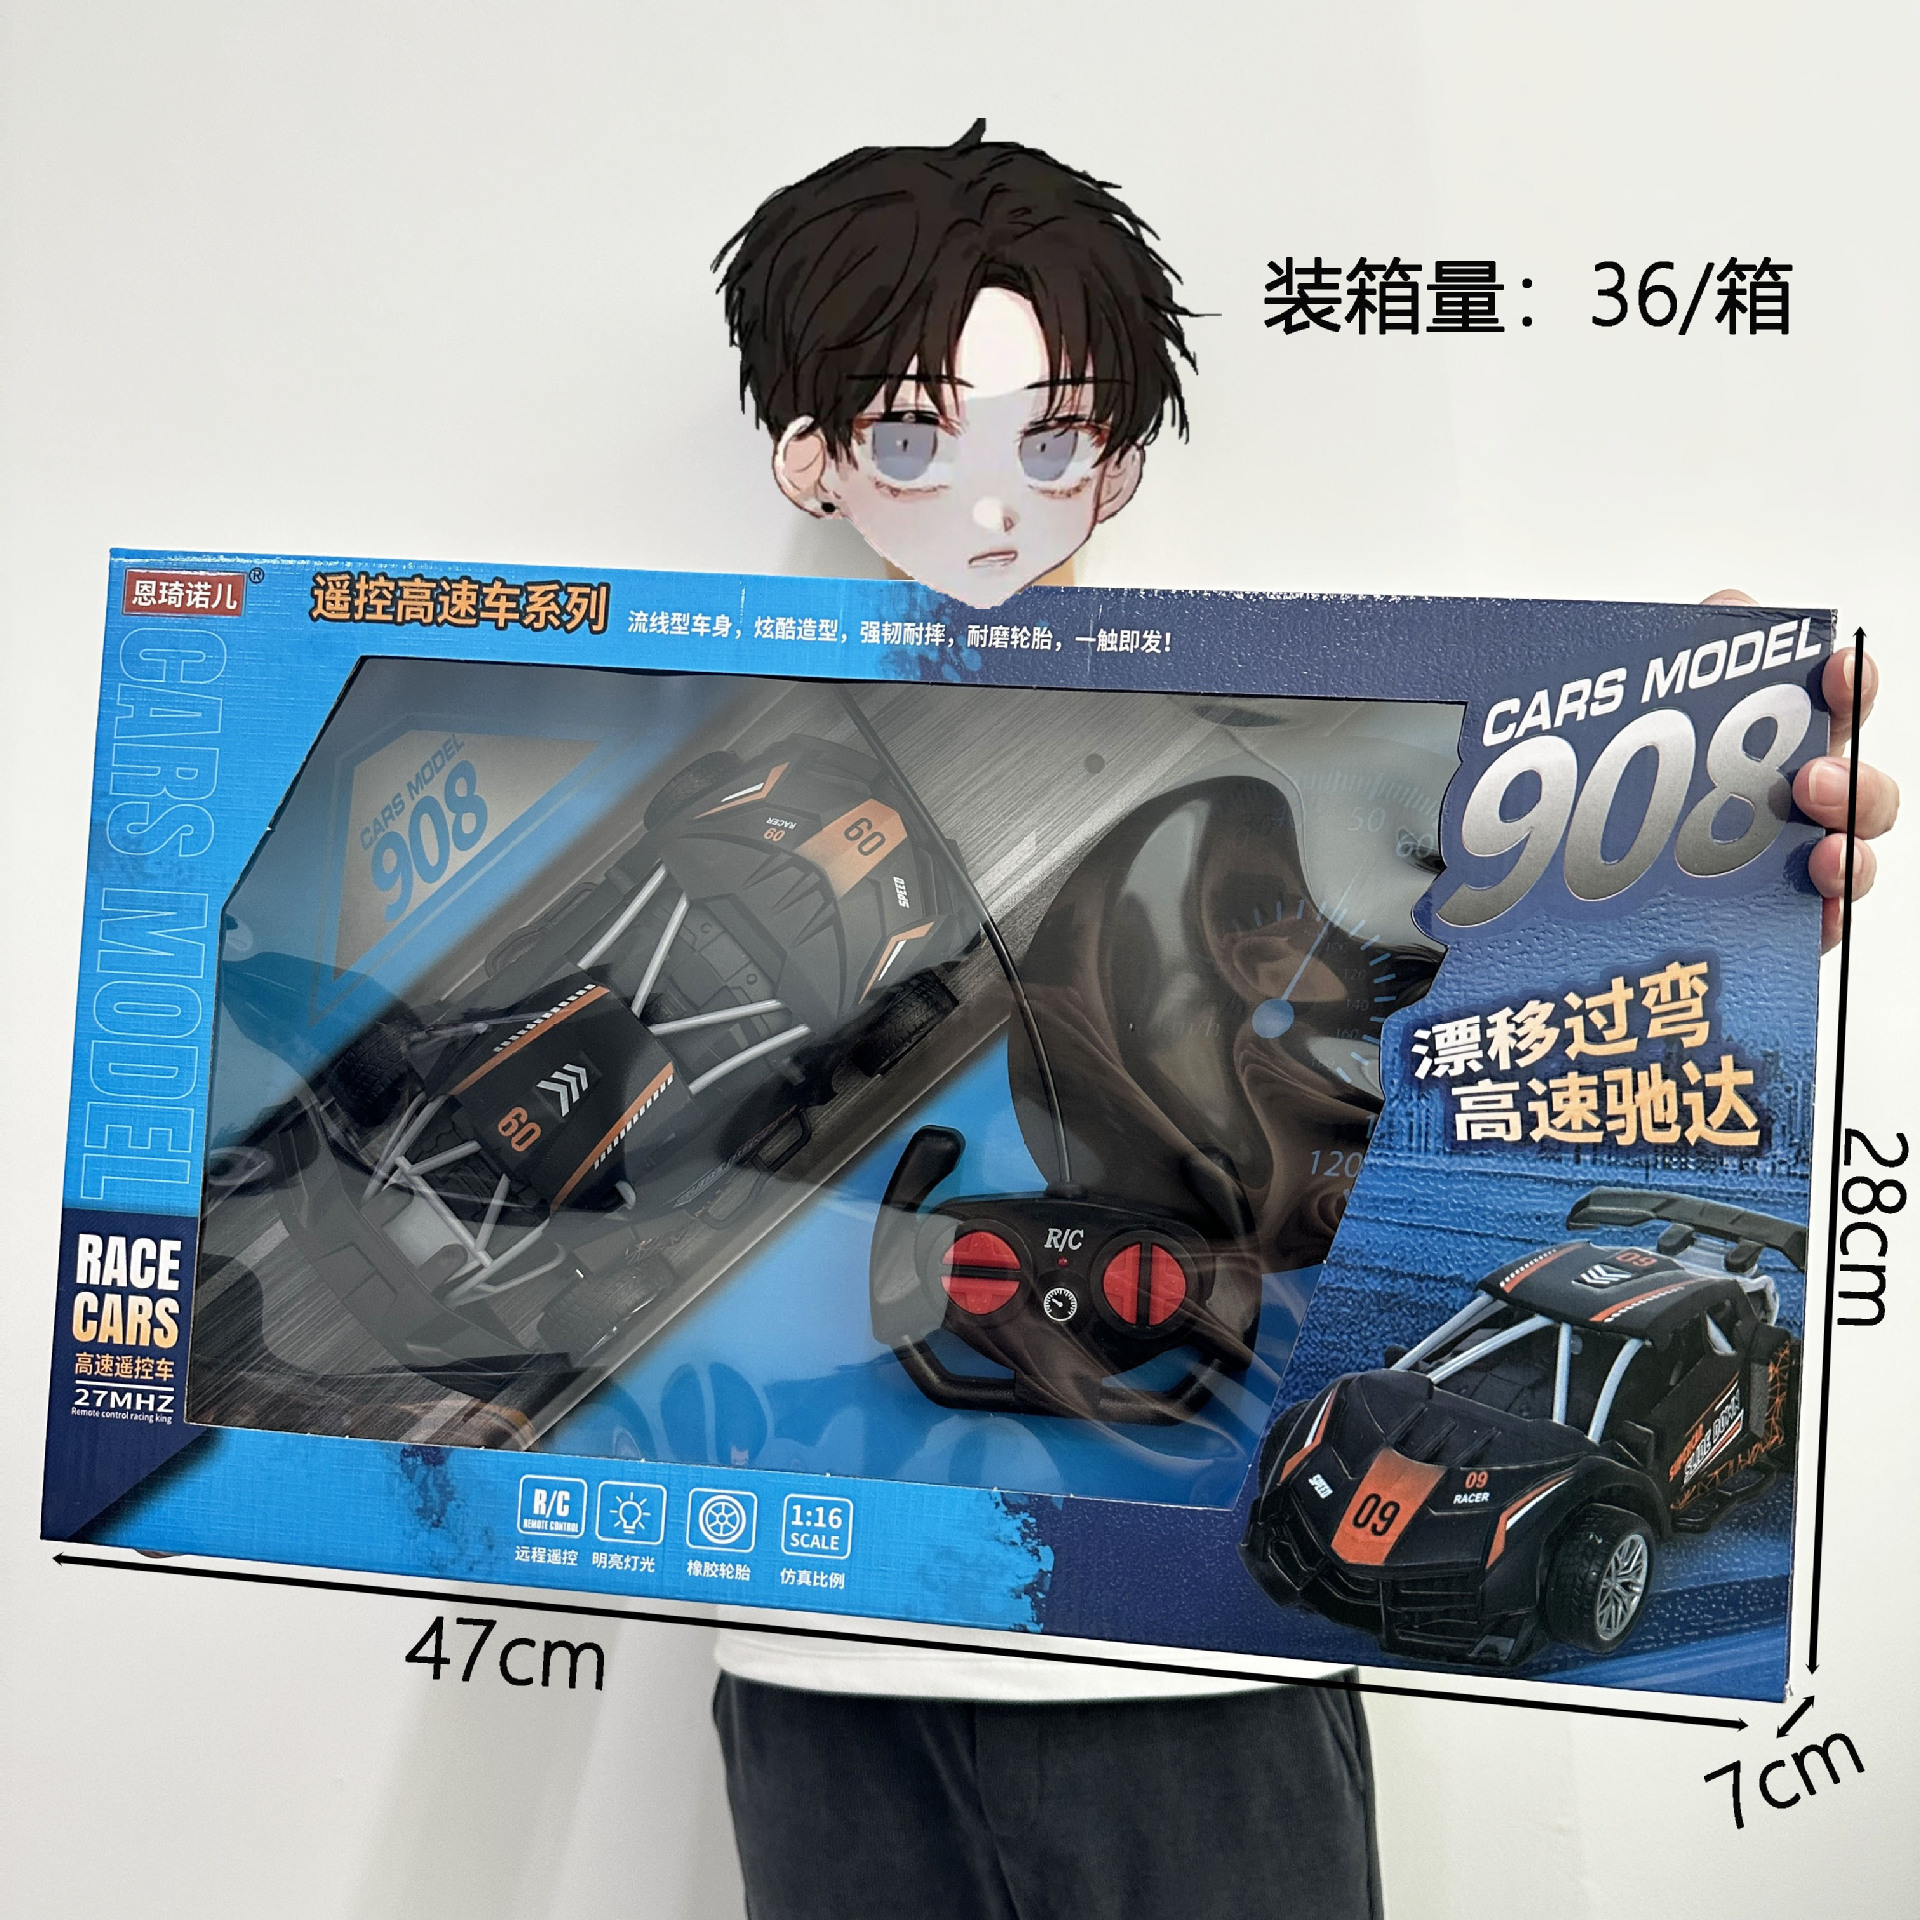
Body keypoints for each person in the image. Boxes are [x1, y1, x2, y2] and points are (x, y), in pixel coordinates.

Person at [706, 123, 1899, 1920]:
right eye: (911, 435)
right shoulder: (725, 743)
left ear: (1117, 447)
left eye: (1051, 437)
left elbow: (1474, 967)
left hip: (1197, 1660)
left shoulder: (1283, 741)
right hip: (811, 1640)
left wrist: (1700, 790)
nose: (993, 502)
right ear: (812, 455)